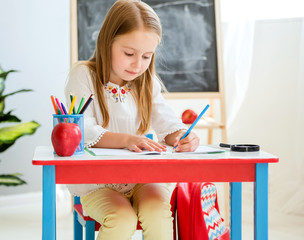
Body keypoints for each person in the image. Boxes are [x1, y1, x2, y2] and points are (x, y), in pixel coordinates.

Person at [65, 0, 199, 239]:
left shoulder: (146, 82)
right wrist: (127, 139)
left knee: (158, 213)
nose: (138, 64)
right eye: (129, 53)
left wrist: (181, 136)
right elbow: (81, 130)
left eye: (147, 56)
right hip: (98, 183)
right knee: (121, 219)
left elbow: (166, 122)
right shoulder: (84, 75)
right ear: (107, 42)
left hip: (143, 176)